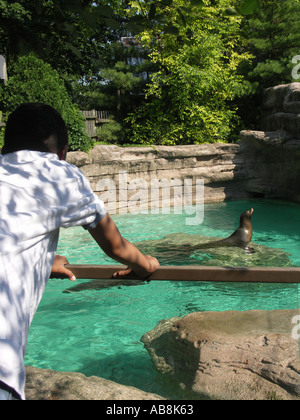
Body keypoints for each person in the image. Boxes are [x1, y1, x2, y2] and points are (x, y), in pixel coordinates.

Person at [0, 103, 159, 400]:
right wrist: (146, 264)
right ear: (62, 153)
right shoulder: (60, 174)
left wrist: (42, 261)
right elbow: (115, 245)